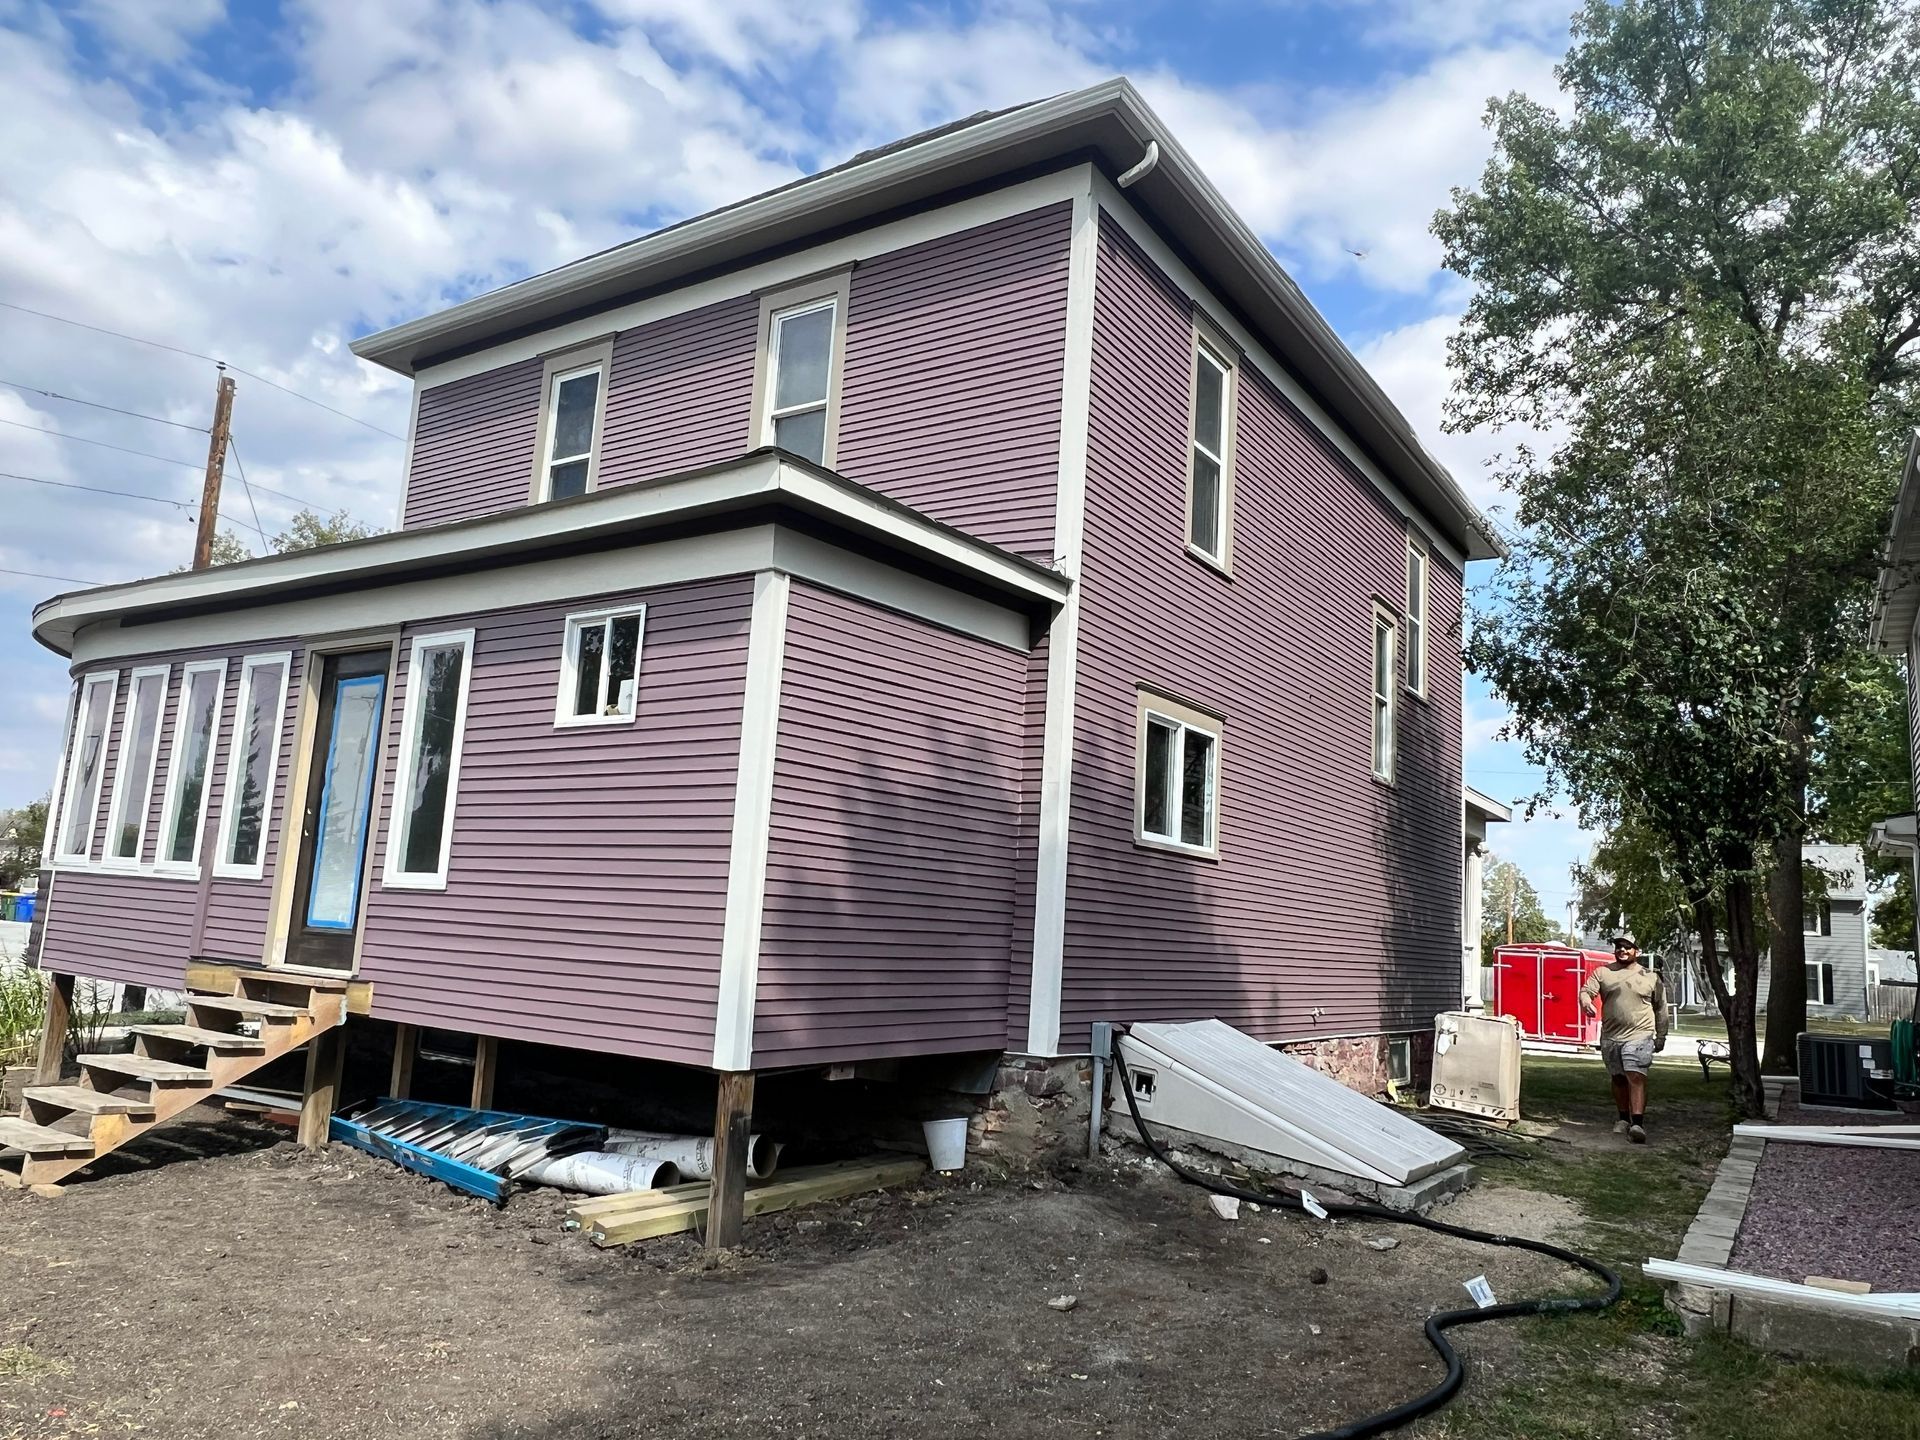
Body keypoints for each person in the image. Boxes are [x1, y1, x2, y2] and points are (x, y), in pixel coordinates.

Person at [1579, 932, 1669, 1144]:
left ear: (1636, 951)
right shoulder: (1603, 972)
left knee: (1635, 1075)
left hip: (1640, 1035)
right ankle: (1623, 1118)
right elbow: (1586, 991)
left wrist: (1661, 1036)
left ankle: (1637, 1123)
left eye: (1627, 946)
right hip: (1611, 1036)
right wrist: (1585, 1002)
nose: (1622, 950)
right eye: (1619, 946)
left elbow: (1661, 1009)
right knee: (1618, 1078)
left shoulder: (1650, 977)